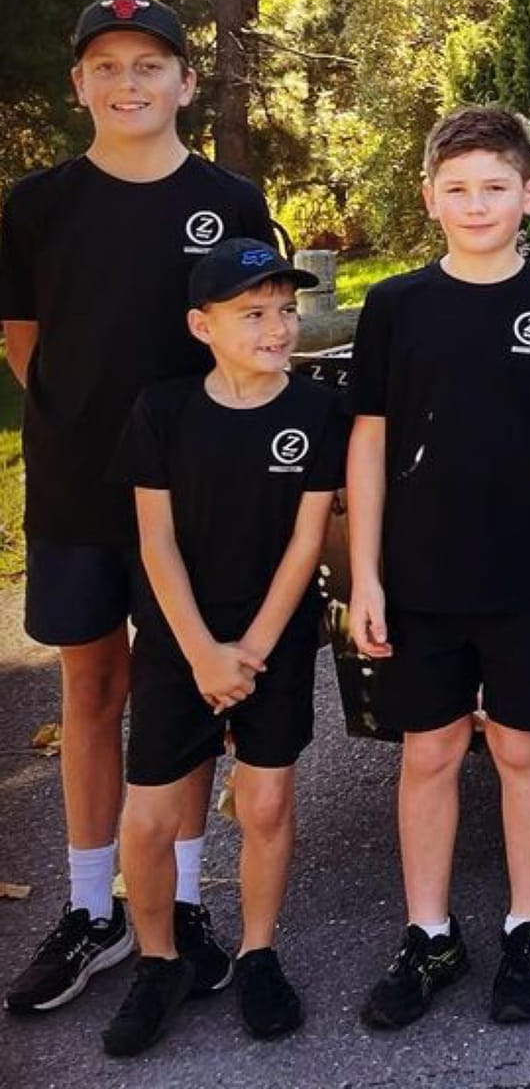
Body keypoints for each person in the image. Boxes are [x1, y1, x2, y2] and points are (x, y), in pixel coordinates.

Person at [1, 0, 274, 1016]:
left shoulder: (228, 198)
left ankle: (183, 900)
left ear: (185, 82)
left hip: (197, 491)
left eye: (149, 65)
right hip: (78, 484)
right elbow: (25, 337)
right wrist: (78, 419)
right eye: (107, 66)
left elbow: (249, 329)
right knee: (91, 689)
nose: (129, 83)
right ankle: (90, 909)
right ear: (79, 83)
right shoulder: (38, 204)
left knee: (185, 690)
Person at [345, 107, 530, 1031]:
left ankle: (528, 925)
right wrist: (368, 577)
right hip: (419, 580)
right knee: (427, 752)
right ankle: (429, 933)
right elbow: (370, 445)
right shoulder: (394, 307)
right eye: (457, 189)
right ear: (430, 199)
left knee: (521, 747)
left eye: (495, 188)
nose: (476, 205)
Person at [99, 240, 344, 1054]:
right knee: (149, 817)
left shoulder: (314, 412)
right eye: (253, 315)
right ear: (202, 326)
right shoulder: (162, 410)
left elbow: (306, 542)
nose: (277, 329)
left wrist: (255, 649)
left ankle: (258, 951)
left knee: (266, 803)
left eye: (284, 311)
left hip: (274, 636)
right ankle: (161, 959)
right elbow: (155, 543)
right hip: (178, 639)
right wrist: (204, 653)